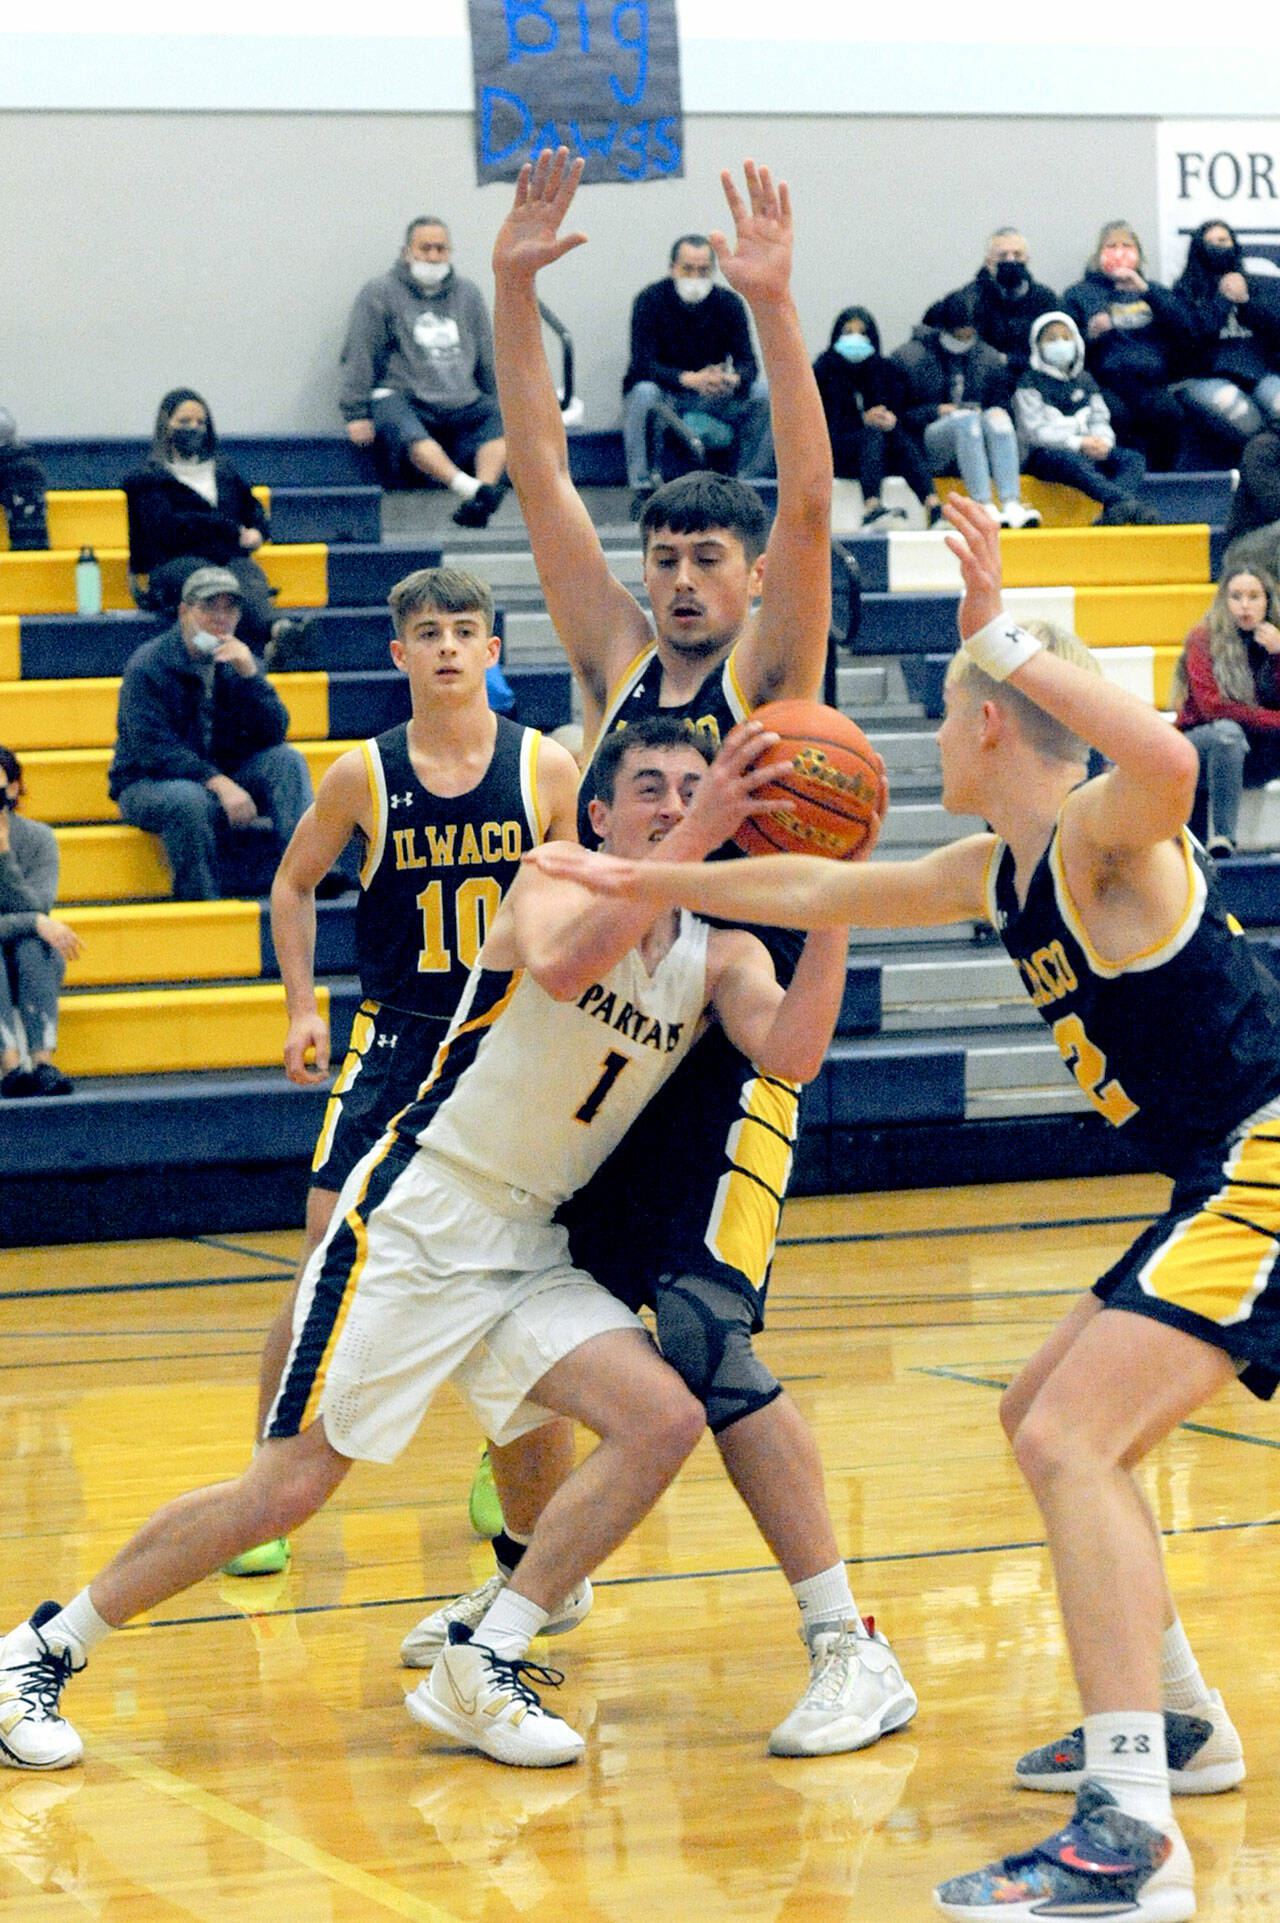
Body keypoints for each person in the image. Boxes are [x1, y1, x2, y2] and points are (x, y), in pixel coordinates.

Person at [538, 492, 1268, 1921]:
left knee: (1071, 1433)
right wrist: (643, 869)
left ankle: (1129, 1828)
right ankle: (1177, 1722)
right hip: (1226, 1166)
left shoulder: (1101, 838)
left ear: (995, 726)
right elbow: (818, 880)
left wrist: (1002, 630)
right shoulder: (997, 868)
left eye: (949, 706)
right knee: (1041, 1412)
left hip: (1272, 1152)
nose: (931, 735)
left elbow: (1170, 752)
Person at [0, 716, 851, 1775]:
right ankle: (41, 1650)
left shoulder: (719, 951)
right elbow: (558, 966)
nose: (675, 805)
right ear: (599, 812)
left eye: (692, 788)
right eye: (650, 789)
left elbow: (794, 1054)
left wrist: (833, 906)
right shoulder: (548, 877)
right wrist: (695, 845)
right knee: (288, 1490)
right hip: (417, 1213)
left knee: (660, 1416)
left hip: (525, 1241)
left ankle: (481, 1660)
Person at [427, 146, 920, 1765]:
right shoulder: (614, 663)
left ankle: (850, 1643)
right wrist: (514, 286)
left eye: (712, 558)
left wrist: (776, 310)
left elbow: (805, 499)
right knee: (556, 1315)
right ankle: (537, 1587)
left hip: (742, 1042)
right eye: (673, 556)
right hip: (623, 1053)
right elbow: (549, 479)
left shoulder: (776, 668)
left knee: (706, 1343)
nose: (688, 573)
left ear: (751, 580)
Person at [223, 563, 582, 1578]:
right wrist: (302, 1006)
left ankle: (501, 1456)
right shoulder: (362, 774)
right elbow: (293, 885)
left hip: (507, 1051)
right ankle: (266, 1485)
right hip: (395, 1042)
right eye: (428, 633)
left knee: (518, 1270)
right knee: (321, 1256)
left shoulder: (546, 767)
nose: (448, 648)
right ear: (400, 654)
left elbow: (588, 896)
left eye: (465, 631)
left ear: (492, 650)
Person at [108, 567, 314, 902]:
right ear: (185, 611)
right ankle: (201, 905)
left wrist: (251, 677)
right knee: (188, 800)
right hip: (146, 783)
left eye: (229, 608)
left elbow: (274, 732)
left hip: (218, 776)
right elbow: (154, 751)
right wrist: (220, 783)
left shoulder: (236, 660)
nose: (221, 617)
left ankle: (309, 878)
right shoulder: (148, 665)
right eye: (209, 607)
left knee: (287, 761)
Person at [339, 216, 507, 527]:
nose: (433, 256)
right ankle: (468, 488)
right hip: (406, 397)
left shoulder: (468, 294)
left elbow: (487, 353)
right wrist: (355, 412)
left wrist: (496, 395)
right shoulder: (379, 292)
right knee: (393, 412)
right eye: (425, 248)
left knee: (504, 416)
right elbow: (360, 351)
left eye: (440, 249)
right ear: (407, 252)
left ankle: (484, 490)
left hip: (462, 399)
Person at [123, 389, 310, 666]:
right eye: (184, 422)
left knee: (247, 574)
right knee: (212, 582)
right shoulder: (146, 477)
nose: (194, 429)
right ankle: (241, 652)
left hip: (227, 558)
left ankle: (279, 632)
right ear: (166, 425)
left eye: (201, 422)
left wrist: (258, 530)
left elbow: (252, 509)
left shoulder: (223, 469)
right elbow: (168, 529)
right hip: (172, 564)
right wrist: (231, 531)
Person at [621, 232, 772, 507]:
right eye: (687, 269)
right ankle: (641, 487)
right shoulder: (650, 300)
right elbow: (642, 365)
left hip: (713, 396)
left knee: (763, 393)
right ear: (672, 268)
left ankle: (750, 484)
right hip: (667, 397)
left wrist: (731, 379)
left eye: (703, 270)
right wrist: (689, 379)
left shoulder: (729, 303)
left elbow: (749, 363)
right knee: (643, 392)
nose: (695, 276)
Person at [893, 292, 1040, 527]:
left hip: (979, 441)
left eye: (970, 331)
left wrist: (989, 411)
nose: (965, 336)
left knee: (998, 418)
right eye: (960, 331)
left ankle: (1012, 502)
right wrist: (936, 411)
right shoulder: (912, 358)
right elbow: (900, 417)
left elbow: (1001, 403)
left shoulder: (988, 358)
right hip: (930, 443)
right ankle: (982, 503)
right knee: (965, 421)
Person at [1062, 222, 1191, 473]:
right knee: (1115, 415)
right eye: (1111, 246)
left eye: (1127, 245)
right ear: (1098, 254)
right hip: (1104, 384)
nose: (1119, 251)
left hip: (1151, 384)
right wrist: (1089, 337)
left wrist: (1147, 291)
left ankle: (1163, 479)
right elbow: (1062, 348)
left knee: (1168, 413)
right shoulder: (1079, 294)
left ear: (1138, 253)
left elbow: (1185, 329)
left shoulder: (1154, 292)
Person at [1171, 565, 1280, 856]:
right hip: (1199, 747)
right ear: (1224, 601)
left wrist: (1279, 655)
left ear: (1268, 602)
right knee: (1227, 733)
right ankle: (1222, 838)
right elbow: (1212, 708)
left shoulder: (1275, 641)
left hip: (1255, 751)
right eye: (1236, 597)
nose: (1245, 606)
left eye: (1254, 597)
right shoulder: (1203, 639)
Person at [1013, 312, 1154, 525]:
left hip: (1089, 448)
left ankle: (1114, 512)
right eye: (1051, 339)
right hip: (1046, 455)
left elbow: (1099, 418)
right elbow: (1033, 431)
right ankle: (1123, 503)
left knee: (1132, 459)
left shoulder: (1085, 380)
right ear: (1037, 345)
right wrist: (1078, 443)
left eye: (1065, 337)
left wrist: (1103, 442)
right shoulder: (1029, 381)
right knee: (1072, 461)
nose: (1060, 343)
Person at [812, 306, 939, 526]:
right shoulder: (823, 371)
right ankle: (872, 506)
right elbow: (822, 423)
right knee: (871, 434)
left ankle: (933, 504)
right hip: (837, 448)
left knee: (896, 436)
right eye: (848, 332)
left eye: (861, 333)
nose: (855, 338)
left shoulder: (884, 369)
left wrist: (890, 419)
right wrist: (861, 419)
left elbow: (899, 410)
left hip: (878, 450)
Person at [0, 747, 78, 1099]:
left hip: (21, 956)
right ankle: (10, 1065)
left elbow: (38, 906)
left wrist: (4, 856)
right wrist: (33, 921)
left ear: (14, 788)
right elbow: (37, 917)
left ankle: (43, 1063)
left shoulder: (38, 839)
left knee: (36, 946)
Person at [1173, 219, 1280, 455]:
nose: (1218, 246)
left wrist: (1246, 302)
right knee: (1245, 417)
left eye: (1223, 240)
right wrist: (1223, 300)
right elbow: (1193, 338)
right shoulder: (1184, 291)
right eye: (1210, 242)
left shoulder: (1257, 286)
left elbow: (1275, 334)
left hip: (1261, 374)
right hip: (1207, 377)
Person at [948, 228, 1060, 397]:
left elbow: (1053, 350)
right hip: (985, 386)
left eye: (1017, 254)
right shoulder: (969, 299)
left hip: (1037, 384)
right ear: (989, 262)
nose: (1011, 260)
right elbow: (965, 351)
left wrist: (1010, 360)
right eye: (1003, 256)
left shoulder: (1045, 299)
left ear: (1027, 260)